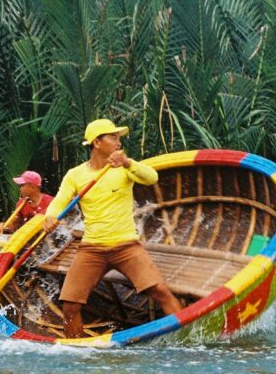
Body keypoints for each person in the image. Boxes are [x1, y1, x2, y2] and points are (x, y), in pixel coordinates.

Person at [44, 118, 181, 337]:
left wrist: (128, 163)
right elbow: (60, 200)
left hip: (126, 245)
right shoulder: (76, 175)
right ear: (97, 143)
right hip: (92, 248)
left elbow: (152, 177)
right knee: (70, 305)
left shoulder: (125, 167)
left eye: (119, 138)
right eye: (113, 138)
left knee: (160, 291)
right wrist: (50, 216)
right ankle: (77, 351)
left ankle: (184, 334)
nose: (118, 143)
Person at [0, 170, 54, 238]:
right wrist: (3, 226)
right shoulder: (21, 203)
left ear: (32, 187)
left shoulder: (50, 201)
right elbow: (14, 222)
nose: (20, 189)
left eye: (22, 186)